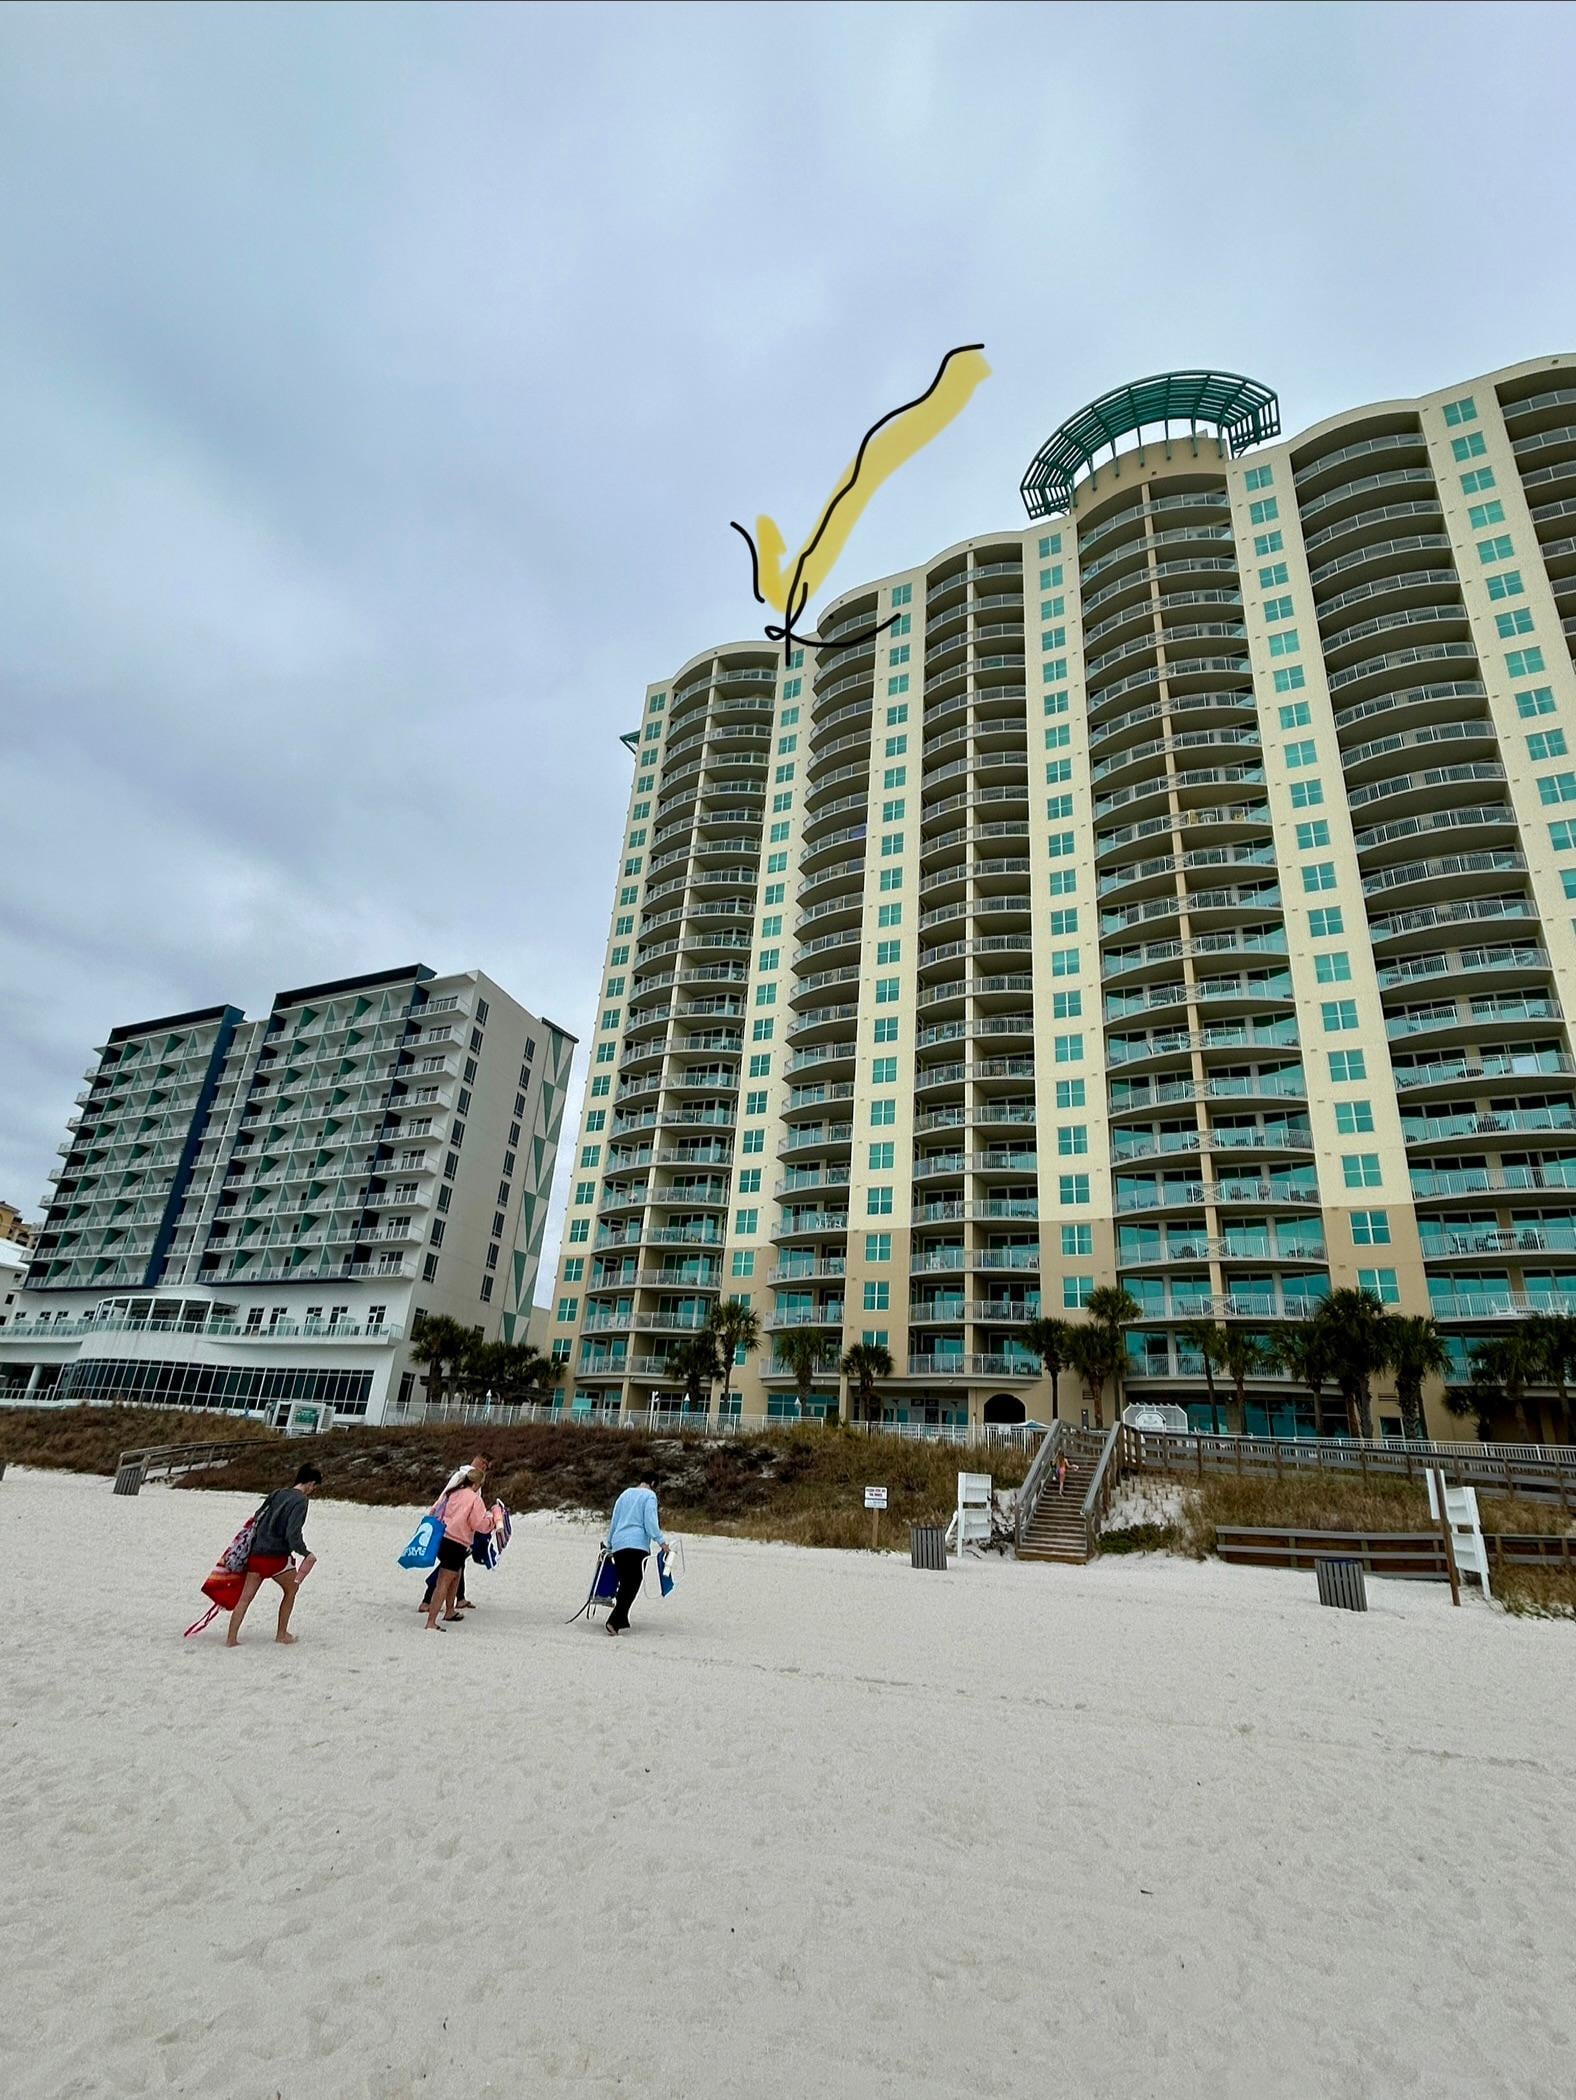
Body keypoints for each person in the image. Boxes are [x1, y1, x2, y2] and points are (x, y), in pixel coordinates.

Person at [226, 1463, 321, 1647]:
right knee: (291, 1589)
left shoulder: (277, 1492)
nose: (313, 1490)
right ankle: (282, 1634)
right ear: (309, 1483)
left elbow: (257, 1516)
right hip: (277, 1558)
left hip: (257, 1553)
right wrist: (305, 1552)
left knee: (245, 1598)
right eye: (314, 1486)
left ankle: (231, 1639)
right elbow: (293, 1534)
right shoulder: (301, 1500)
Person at [425, 1463, 496, 1631]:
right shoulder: (474, 1498)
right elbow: (478, 1523)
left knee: (456, 1574)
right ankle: (431, 1622)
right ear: (477, 1484)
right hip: (456, 1541)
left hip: (442, 1537)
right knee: (444, 1580)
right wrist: (493, 1521)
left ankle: (450, 1611)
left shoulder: (453, 1492)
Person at [604, 1472, 669, 1637]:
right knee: (632, 1584)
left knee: (625, 1582)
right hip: (637, 1545)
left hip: (619, 1544)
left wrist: (610, 1543)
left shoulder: (625, 1494)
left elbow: (615, 1520)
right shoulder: (649, 1496)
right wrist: (661, 1542)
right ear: (653, 1483)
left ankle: (622, 1618)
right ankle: (615, 1621)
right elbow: (650, 1522)